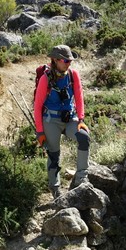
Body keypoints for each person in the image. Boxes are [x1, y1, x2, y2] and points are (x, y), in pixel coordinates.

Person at [33, 45, 90, 199]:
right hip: (51, 120)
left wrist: (81, 119)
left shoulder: (73, 75)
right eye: (65, 60)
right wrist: (40, 131)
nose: (68, 63)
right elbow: (37, 106)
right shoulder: (45, 79)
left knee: (84, 137)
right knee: (54, 155)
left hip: (70, 118)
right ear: (55, 60)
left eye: (70, 60)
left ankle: (81, 178)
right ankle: (55, 189)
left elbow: (79, 97)